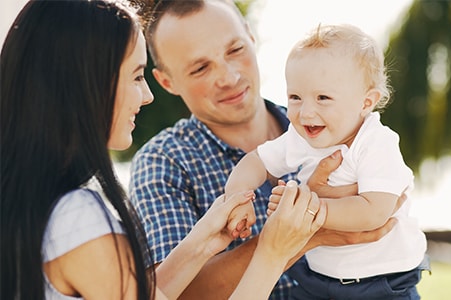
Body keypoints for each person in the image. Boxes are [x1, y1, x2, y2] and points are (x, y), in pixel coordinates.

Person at [0, 1, 329, 299]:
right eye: (136, 76)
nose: (147, 96)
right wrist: (275, 250)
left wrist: (200, 244)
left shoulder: (43, 205)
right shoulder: (77, 218)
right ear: (89, 84)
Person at [130, 1, 402, 299]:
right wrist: (306, 230)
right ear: (167, 81)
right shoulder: (164, 162)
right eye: (201, 68)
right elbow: (173, 294)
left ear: (251, 36)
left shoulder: (329, 123)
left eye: (235, 50)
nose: (229, 77)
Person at [225, 23, 429, 299]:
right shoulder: (299, 138)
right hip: (317, 277)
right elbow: (255, 161)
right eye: (295, 97)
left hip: (382, 281)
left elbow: (374, 212)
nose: (306, 111)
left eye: (323, 98)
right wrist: (237, 198)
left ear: (366, 102)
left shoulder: (376, 143)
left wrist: (306, 208)